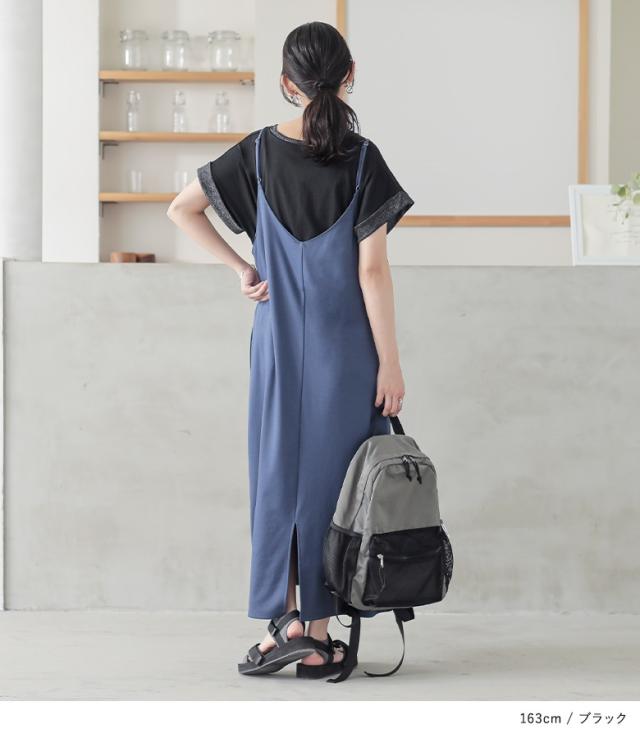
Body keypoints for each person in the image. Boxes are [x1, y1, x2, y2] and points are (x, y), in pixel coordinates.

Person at [167, 20, 414, 679]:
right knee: (339, 486)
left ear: (286, 83)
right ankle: (320, 634)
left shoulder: (255, 154)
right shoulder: (364, 160)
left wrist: (242, 269)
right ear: (350, 75)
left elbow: (180, 210)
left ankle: (286, 625)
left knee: (278, 477)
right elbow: (371, 272)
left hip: (277, 346)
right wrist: (390, 363)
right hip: (348, 352)